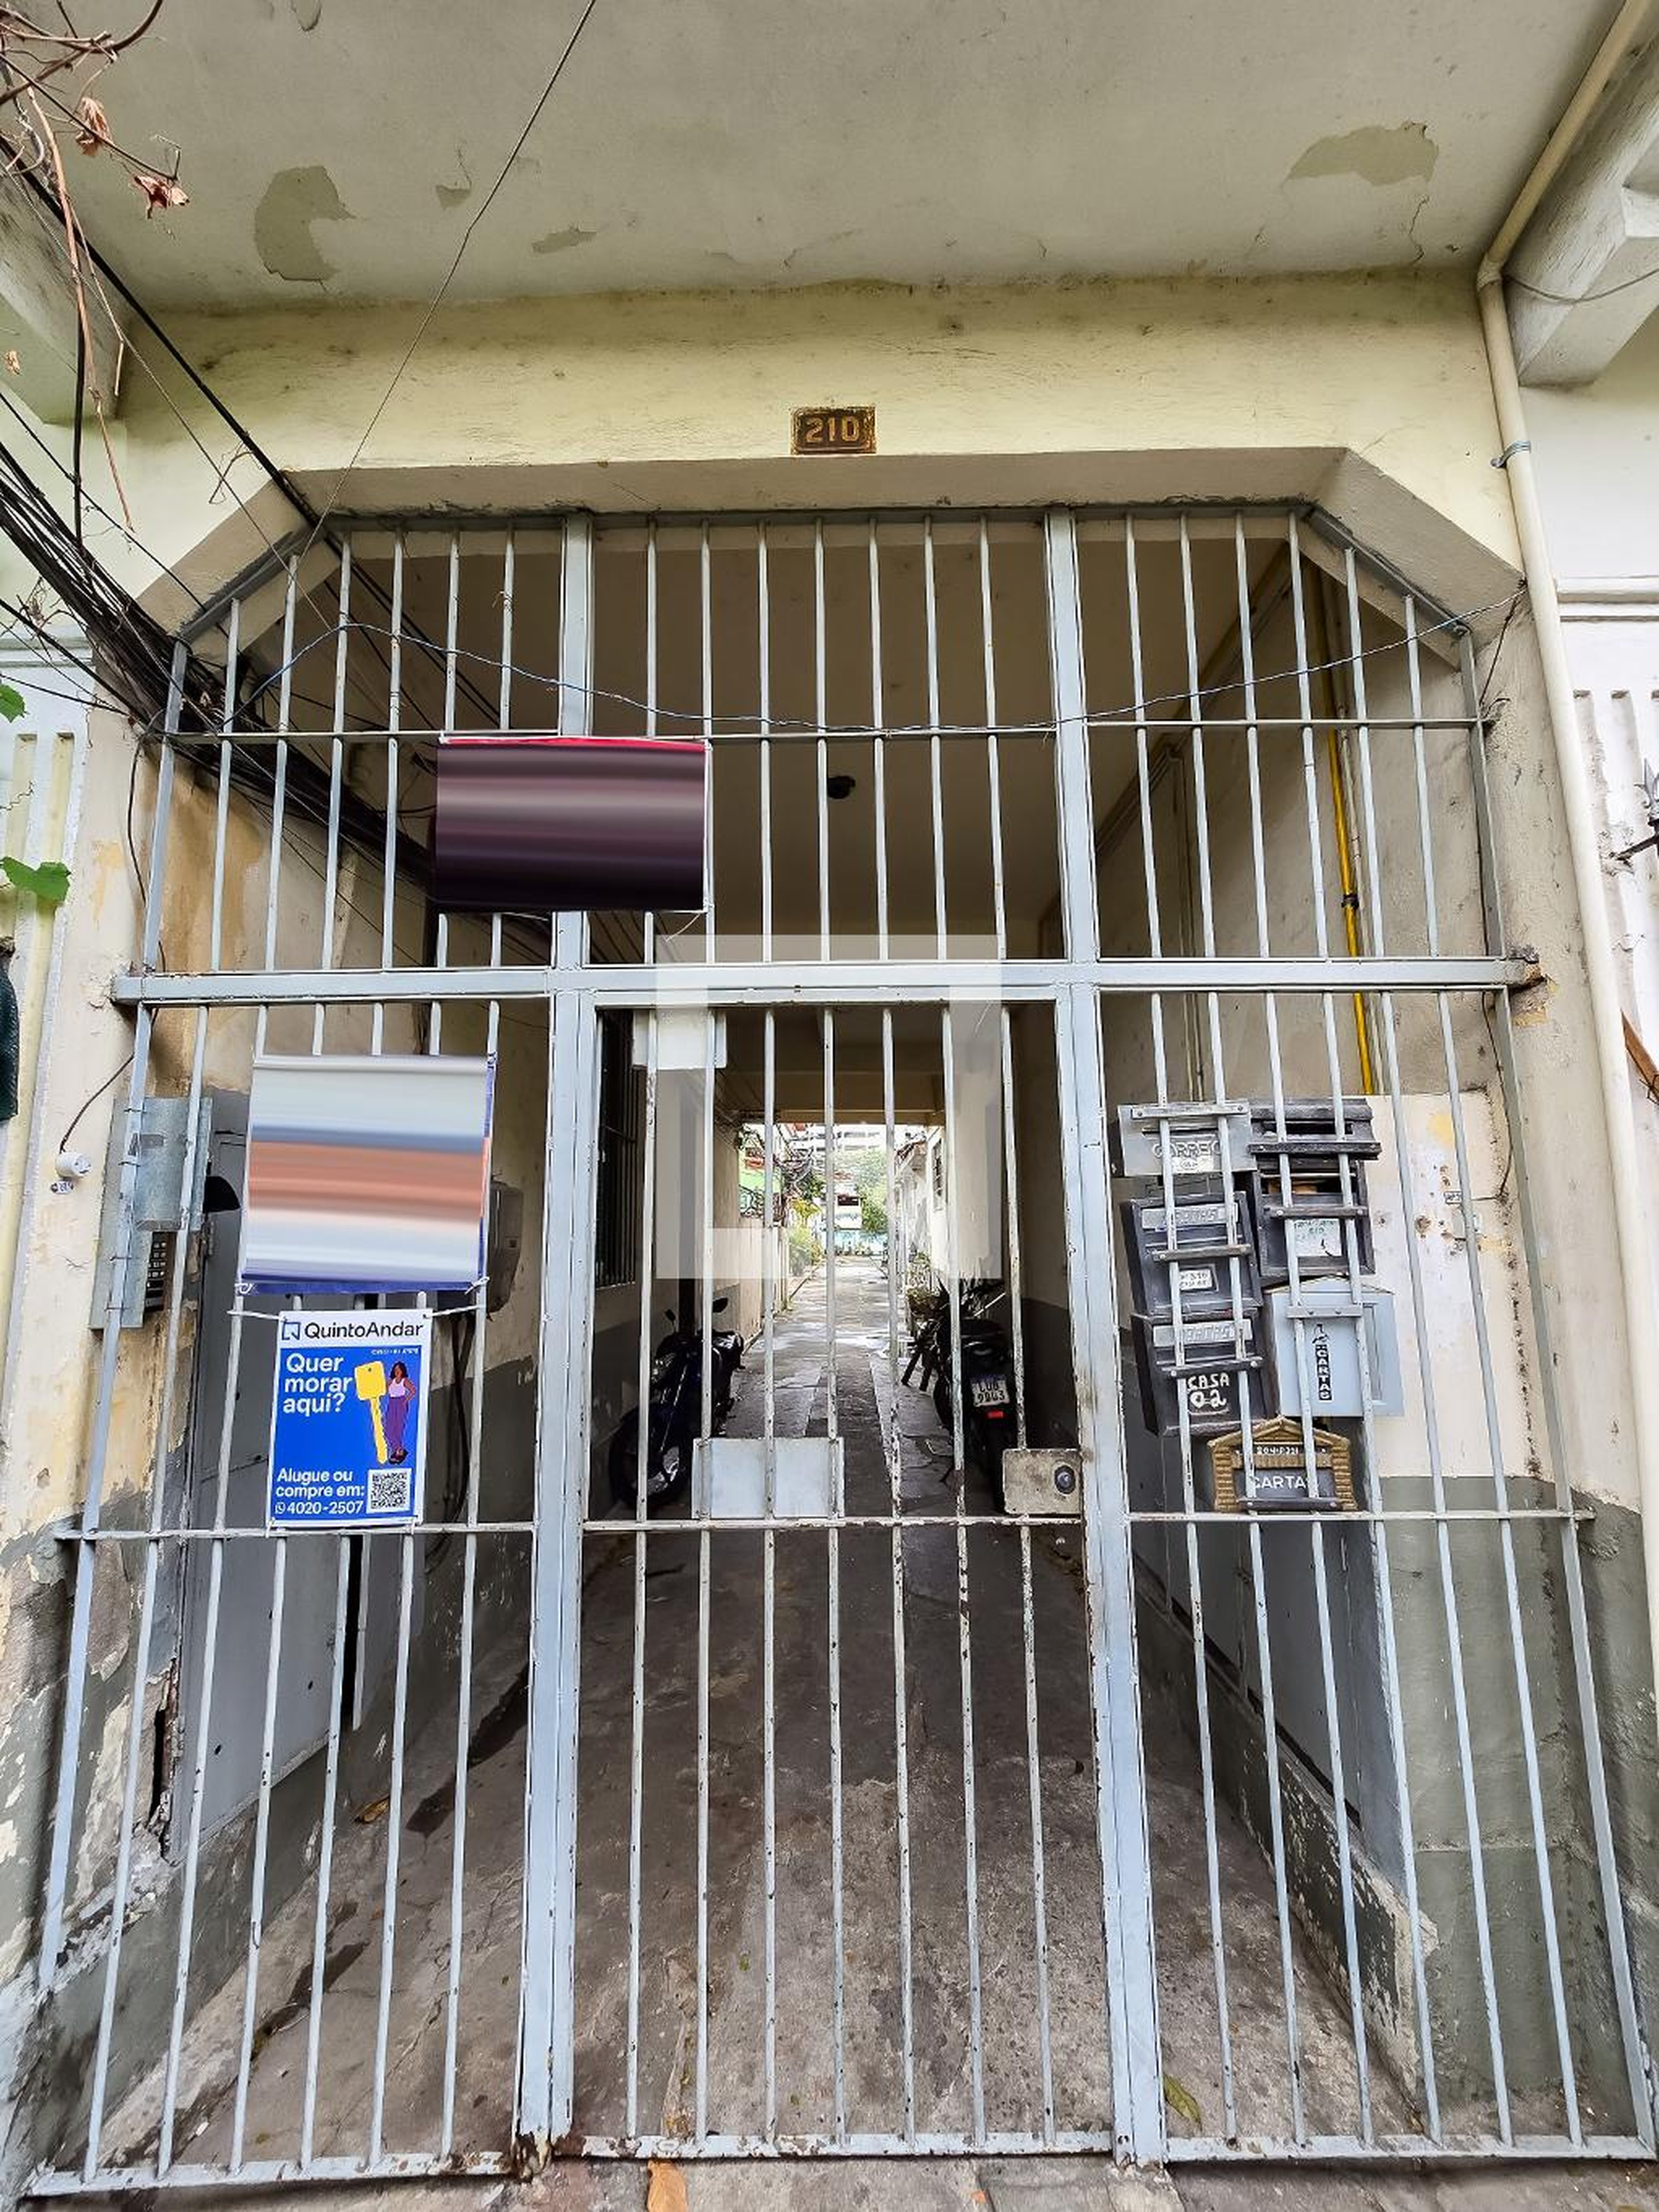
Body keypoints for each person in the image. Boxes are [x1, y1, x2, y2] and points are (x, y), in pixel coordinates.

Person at [384, 1360, 416, 1465]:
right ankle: (400, 1450)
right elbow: (383, 1390)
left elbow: (413, 1391)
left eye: (399, 1370)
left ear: (403, 1371)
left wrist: (406, 1400)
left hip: (401, 1403)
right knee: (388, 1430)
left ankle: (396, 1453)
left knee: (398, 1429)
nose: (397, 1372)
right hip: (392, 1403)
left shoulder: (404, 1381)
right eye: (396, 1370)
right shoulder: (390, 1381)